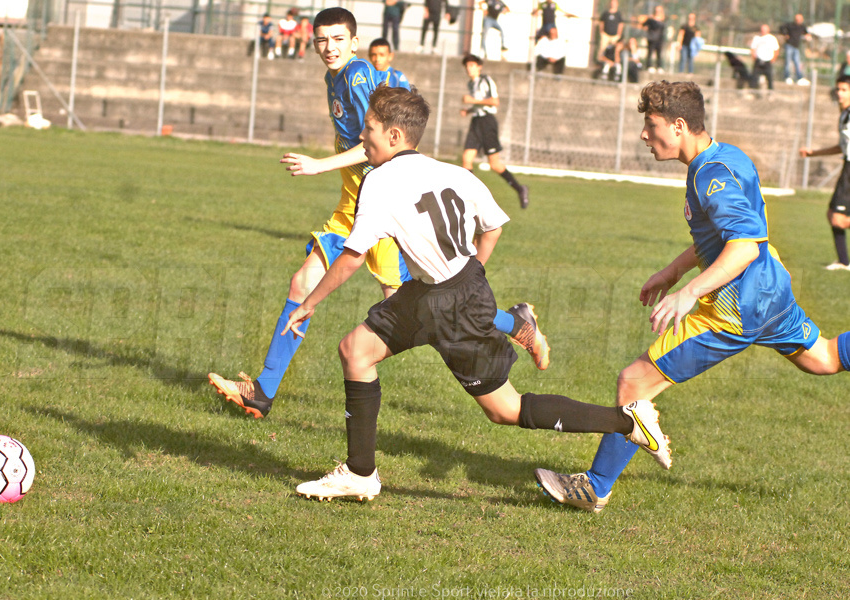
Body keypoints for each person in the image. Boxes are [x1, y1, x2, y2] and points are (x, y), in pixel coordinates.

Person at [285, 84, 671, 502]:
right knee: (355, 350)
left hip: (448, 303)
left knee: (505, 409)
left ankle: (628, 422)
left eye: (369, 129)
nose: (362, 137)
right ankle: (360, 473)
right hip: (439, 289)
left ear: (394, 136)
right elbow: (493, 227)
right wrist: (471, 281)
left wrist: (308, 304)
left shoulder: (379, 181)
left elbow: (352, 257)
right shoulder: (453, 173)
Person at [208, 8, 549, 420]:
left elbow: (375, 141)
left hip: (381, 209)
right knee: (303, 283)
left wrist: (319, 165)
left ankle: (515, 325)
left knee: (427, 307)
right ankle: (262, 392)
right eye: (322, 39)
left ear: (354, 42)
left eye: (338, 39)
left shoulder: (356, 76)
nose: (329, 47)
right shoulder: (335, 77)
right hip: (352, 204)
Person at [537, 80, 850, 513]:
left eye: (651, 125)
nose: (644, 135)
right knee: (824, 358)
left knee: (634, 382)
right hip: (770, 288)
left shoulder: (710, 175)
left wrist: (688, 292)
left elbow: (743, 246)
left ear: (679, 126)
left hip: (735, 308)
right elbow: (724, 238)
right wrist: (673, 271)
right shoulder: (727, 156)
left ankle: (595, 487)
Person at [460, 53, 529, 209]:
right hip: (476, 121)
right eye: (467, 66)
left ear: (479, 67)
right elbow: (479, 104)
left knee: (495, 164)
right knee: (466, 160)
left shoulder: (486, 80)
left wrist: (472, 101)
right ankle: (470, 197)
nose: (469, 69)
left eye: (472, 65)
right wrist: (469, 110)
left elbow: (494, 101)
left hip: (487, 122)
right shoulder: (471, 84)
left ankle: (520, 189)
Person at [799, 75, 850, 271]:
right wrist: (814, 153)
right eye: (838, 89)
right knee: (832, 215)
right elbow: (842, 147)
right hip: (847, 166)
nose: (839, 93)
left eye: (844, 90)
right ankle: (843, 262)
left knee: (838, 218)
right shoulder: (844, 115)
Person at [780, 13, 810, 85]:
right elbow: (781, 28)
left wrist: (807, 36)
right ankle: (787, 77)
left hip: (796, 47)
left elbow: (806, 33)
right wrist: (785, 34)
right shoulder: (790, 25)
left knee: (797, 63)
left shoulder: (802, 26)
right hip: (789, 45)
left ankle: (799, 77)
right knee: (787, 62)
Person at [750, 24, 780, 94]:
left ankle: (770, 93)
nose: (763, 31)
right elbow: (753, 49)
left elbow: (776, 50)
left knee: (769, 77)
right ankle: (752, 92)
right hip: (758, 60)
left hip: (768, 61)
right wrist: (754, 57)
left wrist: (773, 59)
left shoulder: (772, 38)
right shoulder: (757, 38)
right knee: (754, 77)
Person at [637, 5, 666, 73]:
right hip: (652, 38)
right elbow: (643, 24)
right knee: (650, 53)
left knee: (659, 53)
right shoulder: (651, 19)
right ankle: (649, 66)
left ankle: (659, 67)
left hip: (659, 39)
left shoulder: (663, 19)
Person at [596, 0, 624, 65]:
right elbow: (601, 23)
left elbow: (621, 24)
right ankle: (599, 62)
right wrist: (602, 32)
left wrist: (619, 34)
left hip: (615, 36)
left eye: (614, 3)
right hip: (605, 35)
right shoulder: (605, 13)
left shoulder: (618, 14)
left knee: (614, 50)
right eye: (612, 3)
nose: (613, 4)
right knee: (602, 48)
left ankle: (614, 63)